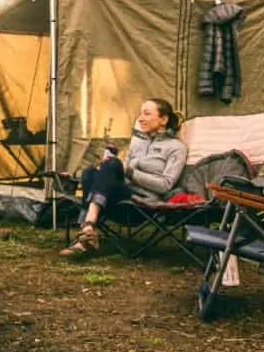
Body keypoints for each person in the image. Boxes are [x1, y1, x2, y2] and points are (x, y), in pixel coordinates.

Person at [60, 98, 187, 256]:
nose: (140, 118)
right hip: (121, 197)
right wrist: (108, 169)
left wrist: (129, 171)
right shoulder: (138, 144)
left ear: (164, 119)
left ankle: (86, 228)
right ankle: (88, 230)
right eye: (140, 114)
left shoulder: (177, 148)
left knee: (112, 165)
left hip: (144, 202)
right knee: (90, 172)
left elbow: (166, 185)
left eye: (147, 114)